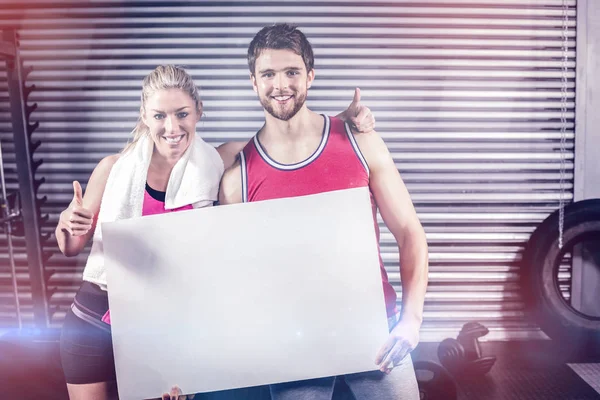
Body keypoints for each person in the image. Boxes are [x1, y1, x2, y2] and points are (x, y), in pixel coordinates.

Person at [55, 64, 375, 400]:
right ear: (145, 116)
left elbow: (285, 141)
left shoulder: (219, 160)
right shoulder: (113, 169)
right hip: (92, 323)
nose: (172, 127)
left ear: (197, 113)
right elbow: (71, 246)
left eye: (182, 114)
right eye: (160, 116)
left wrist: (341, 122)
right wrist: (67, 223)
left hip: (155, 329)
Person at [219, 24, 429, 399]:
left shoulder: (360, 140)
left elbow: (410, 232)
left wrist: (411, 320)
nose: (280, 84)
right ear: (253, 82)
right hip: (292, 346)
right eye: (268, 74)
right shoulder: (238, 175)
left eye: (291, 72)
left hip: (374, 334)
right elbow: (237, 276)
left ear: (310, 77)